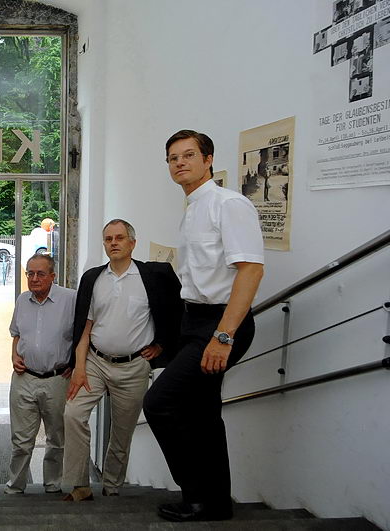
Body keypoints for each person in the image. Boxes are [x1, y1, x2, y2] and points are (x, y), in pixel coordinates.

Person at [144, 130, 264, 522]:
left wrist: (223, 336)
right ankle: (216, 503)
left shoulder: (228, 204)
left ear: (208, 159)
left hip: (221, 322)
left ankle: (196, 496)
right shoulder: (193, 207)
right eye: (173, 158)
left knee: (160, 403)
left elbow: (251, 270)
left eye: (189, 155)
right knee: (204, 414)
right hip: (193, 319)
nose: (179, 162)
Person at [62, 219, 182, 502]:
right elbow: (84, 327)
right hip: (95, 361)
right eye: (108, 239)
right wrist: (79, 367)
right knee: (73, 414)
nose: (113, 243)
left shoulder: (152, 277)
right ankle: (79, 486)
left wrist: (161, 345)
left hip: (133, 367)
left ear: (132, 243)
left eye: (119, 237)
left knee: (122, 431)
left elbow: (175, 310)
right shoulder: (93, 278)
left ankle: (112, 487)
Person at [5, 254, 76, 495]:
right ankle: (15, 486)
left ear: (53, 276)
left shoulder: (70, 299)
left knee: (57, 438)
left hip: (58, 380)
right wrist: (14, 356)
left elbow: (84, 333)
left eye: (40, 274)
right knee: (21, 439)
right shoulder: (22, 300)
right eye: (30, 273)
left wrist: (76, 364)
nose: (34, 279)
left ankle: (53, 485)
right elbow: (16, 334)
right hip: (24, 379)